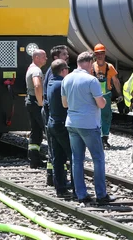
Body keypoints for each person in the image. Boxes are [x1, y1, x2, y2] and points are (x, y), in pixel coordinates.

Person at [62, 51, 115, 204]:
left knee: (77, 159)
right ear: (90, 63)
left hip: (72, 123)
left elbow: (65, 104)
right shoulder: (92, 81)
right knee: (98, 158)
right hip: (89, 124)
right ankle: (101, 195)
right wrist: (102, 100)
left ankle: (81, 194)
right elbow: (101, 104)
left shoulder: (67, 79)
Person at [46, 58, 75, 197]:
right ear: (63, 70)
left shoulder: (51, 83)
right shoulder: (62, 84)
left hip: (52, 123)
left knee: (57, 157)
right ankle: (77, 187)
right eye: (67, 69)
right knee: (73, 155)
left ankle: (60, 188)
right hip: (63, 124)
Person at [43, 45, 70, 186]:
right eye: (64, 54)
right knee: (58, 152)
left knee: (55, 152)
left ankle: (55, 180)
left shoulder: (52, 75)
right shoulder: (55, 77)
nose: (67, 56)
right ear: (56, 58)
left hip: (52, 116)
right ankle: (56, 179)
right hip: (54, 116)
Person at [91, 44, 120, 149]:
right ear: (95, 54)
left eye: (102, 53)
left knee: (106, 117)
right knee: (94, 117)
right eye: (98, 53)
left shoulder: (109, 67)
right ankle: (96, 138)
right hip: (93, 96)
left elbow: (115, 81)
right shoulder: (92, 67)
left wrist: (119, 94)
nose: (100, 56)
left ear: (104, 54)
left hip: (106, 96)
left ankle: (104, 138)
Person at [26, 49, 47, 168]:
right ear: (37, 58)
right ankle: (52, 160)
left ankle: (34, 159)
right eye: (44, 57)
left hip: (30, 100)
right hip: (35, 101)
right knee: (46, 129)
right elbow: (37, 85)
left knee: (36, 131)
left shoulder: (31, 68)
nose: (46, 59)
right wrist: (41, 102)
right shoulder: (36, 70)